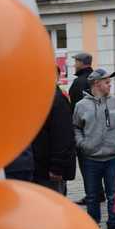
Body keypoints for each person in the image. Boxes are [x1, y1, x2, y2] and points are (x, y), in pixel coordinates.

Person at [73, 68, 115, 229]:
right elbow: (76, 127)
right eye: (107, 81)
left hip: (113, 157)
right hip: (90, 158)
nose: (110, 84)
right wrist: (82, 144)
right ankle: (93, 228)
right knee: (92, 196)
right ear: (96, 83)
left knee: (113, 195)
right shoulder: (81, 105)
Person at [32, 66, 76, 194]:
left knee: (52, 205)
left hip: (50, 171)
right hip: (40, 168)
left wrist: (56, 167)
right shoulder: (41, 97)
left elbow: (63, 136)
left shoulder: (56, 99)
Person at [69, 52, 95, 205]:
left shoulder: (79, 82)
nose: (74, 64)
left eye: (76, 61)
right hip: (96, 128)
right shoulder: (94, 79)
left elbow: (75, 108)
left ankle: (91, 193)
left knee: (86, 164)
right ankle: (98, 192)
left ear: (82, 63)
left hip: (83, 129)